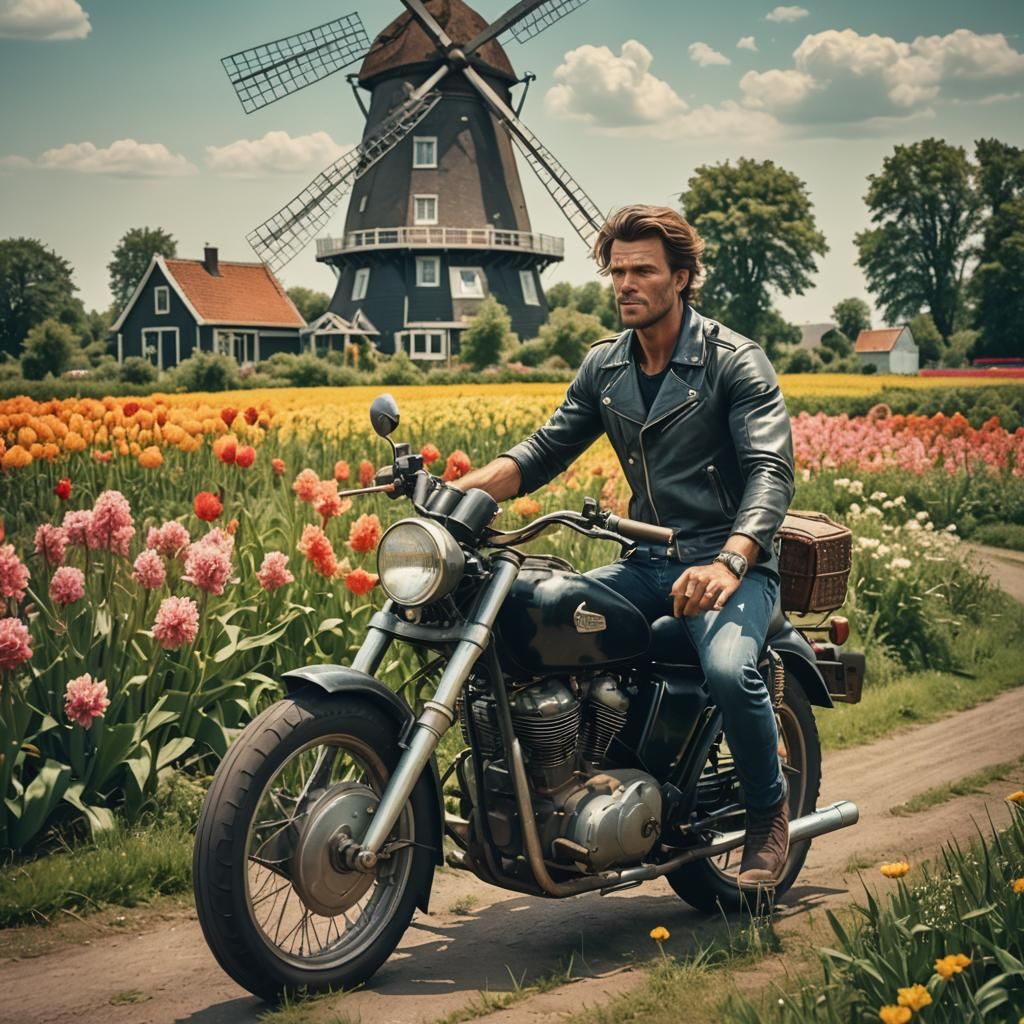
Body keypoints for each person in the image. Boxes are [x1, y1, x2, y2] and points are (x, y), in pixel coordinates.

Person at [453, 204, 796, 889]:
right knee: (539, 619)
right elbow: (545, 450)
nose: (626, 285)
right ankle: (581, 776)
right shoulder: (605, 366)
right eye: (618, 272)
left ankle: (768, 815)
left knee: (729, 668)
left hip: (732, 564)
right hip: (648, 561)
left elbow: (770, 471)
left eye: (643, 270)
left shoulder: (734, 361)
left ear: (683, 278)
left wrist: (733, 558)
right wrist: (461, 493)